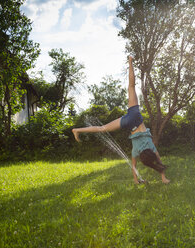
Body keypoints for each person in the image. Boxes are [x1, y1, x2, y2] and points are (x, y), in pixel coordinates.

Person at [72, 56, 170, 184]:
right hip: (128, 124)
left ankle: (130, 61)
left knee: (131, 86)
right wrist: (137, 181)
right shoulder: (136, 152)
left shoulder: (151, 148)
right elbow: (134, 166)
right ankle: (77, 130)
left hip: (135, 116)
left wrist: (130, 62)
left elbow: (158, 158)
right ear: (143, 157)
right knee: (102, 129)